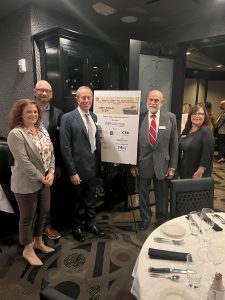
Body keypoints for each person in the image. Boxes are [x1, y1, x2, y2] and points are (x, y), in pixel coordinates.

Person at [7, 99, 55, 266]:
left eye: (35, 112)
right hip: (26, 183)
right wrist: (43, 178)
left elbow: (51, 152)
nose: (33, 114)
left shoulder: (41, 129)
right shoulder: (16, 134)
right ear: (20, 114)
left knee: (44, 212)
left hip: (45, 180)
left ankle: (38, 241)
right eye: (29, 112)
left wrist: (52, 171)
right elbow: (25, 162)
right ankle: (28, 249)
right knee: (28, 217)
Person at [60, 86, 104, 242]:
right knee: (76, 201)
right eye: (83, 97)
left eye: (89, 98)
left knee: (90, 198)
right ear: (77, 99)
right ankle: (76, 227)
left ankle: (91, 223)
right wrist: (72, 172)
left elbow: (95, 143)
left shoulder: (94, 116)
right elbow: (65, 147)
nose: (87, 100)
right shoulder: (68, 118)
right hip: (78, 169)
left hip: (93, 167)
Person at [131, 90, 178, 230]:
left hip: (163, 164)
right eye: (150, 100)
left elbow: (174, 144)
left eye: (156, 100)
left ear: (162, 102)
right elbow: (134, 143)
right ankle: (145, 219)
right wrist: (133, 164)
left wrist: (172, 167)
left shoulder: (170, 118)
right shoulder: (139, 118)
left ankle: (161, 218)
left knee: (162, 194)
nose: (153, 103)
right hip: (143, 163)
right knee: (143, 194)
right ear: (146, 101)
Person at [34, 80, 63, 239]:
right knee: (30, 200)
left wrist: (57, 165)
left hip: (49, 165)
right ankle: (32, 231)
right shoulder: (26, 110)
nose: (44, 93)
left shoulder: (58, 114)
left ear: (51, 94)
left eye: (47, 91)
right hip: (30, 164)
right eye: (41, 90)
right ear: (35, 91)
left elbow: (60, 143)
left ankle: (46, 226)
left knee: (47, 199)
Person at [178, 104, 215, 178]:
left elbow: (207, 154)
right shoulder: (186, 130)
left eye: (200, 114)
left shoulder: (206, 132)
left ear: (205, 117)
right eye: (194, 113)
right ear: (190, 116)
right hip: (185, 170)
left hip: (197, 173)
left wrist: (201, 170)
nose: (197, 116)